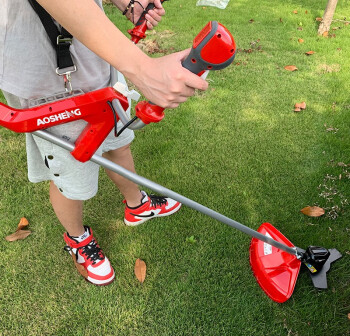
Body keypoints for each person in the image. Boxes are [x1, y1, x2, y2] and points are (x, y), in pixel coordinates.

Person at [0, 0, 208, 285]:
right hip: (48, 78)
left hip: (98, 58)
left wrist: (126, 2)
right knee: (72, 173)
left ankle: (137, 206)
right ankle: (77, 238)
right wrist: (142, 69)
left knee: (117, 142)